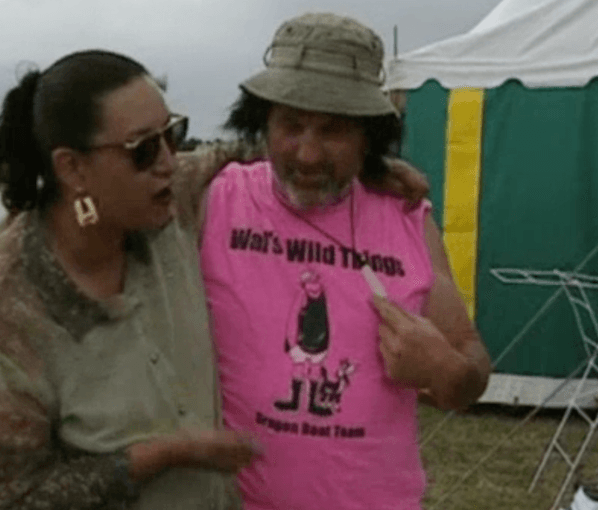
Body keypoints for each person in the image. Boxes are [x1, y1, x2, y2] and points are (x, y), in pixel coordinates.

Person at [0, 50, 262, 509]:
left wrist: (381, 174)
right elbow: (8, 501)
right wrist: (162, 455)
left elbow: (255, 156)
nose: (168, 162)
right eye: (142, 149)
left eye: (172, 134)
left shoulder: (164, 198)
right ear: (72, 169)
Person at [193, 12, 492, 510]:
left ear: (368, 137)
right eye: (290, 125)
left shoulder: (407, 217)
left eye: (332, 131)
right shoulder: (212, 203)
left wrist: (446, 370)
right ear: (263, 121)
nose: (307, 154)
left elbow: (469, 360)